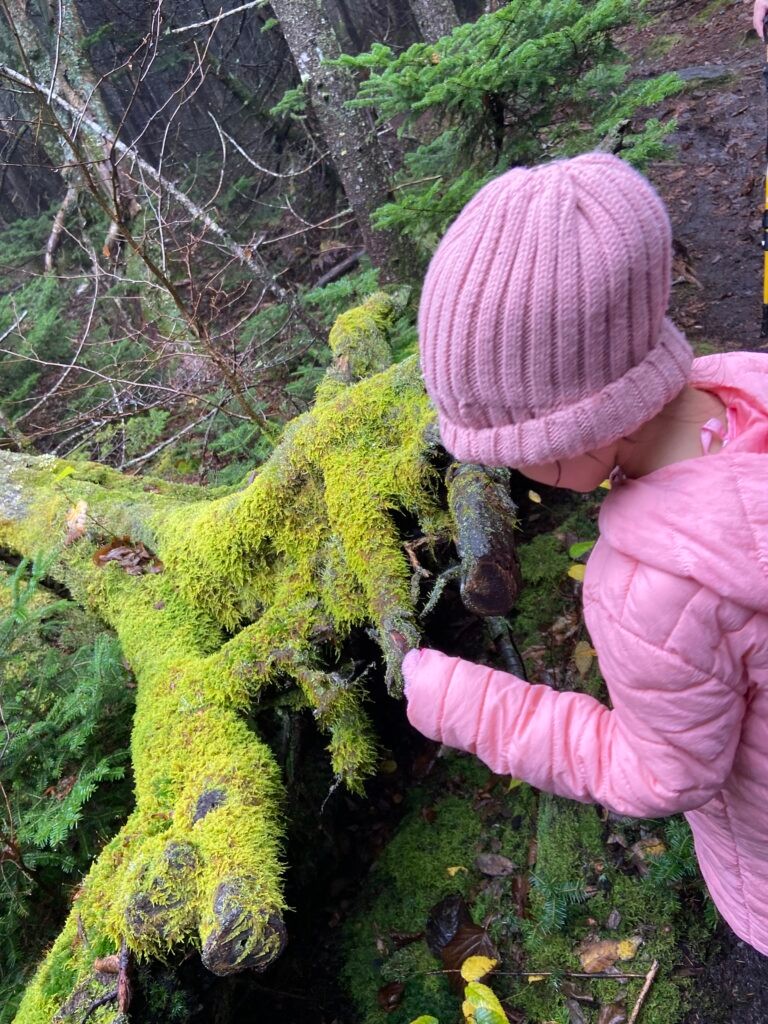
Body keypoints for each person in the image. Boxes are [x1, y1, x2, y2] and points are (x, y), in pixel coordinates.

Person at [401, 152, 768, 954]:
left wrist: (456, 700)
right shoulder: (752, 391)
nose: (503, 466)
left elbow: (663, 774)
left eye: (509, 447)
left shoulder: (649, 589)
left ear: (582, 433)